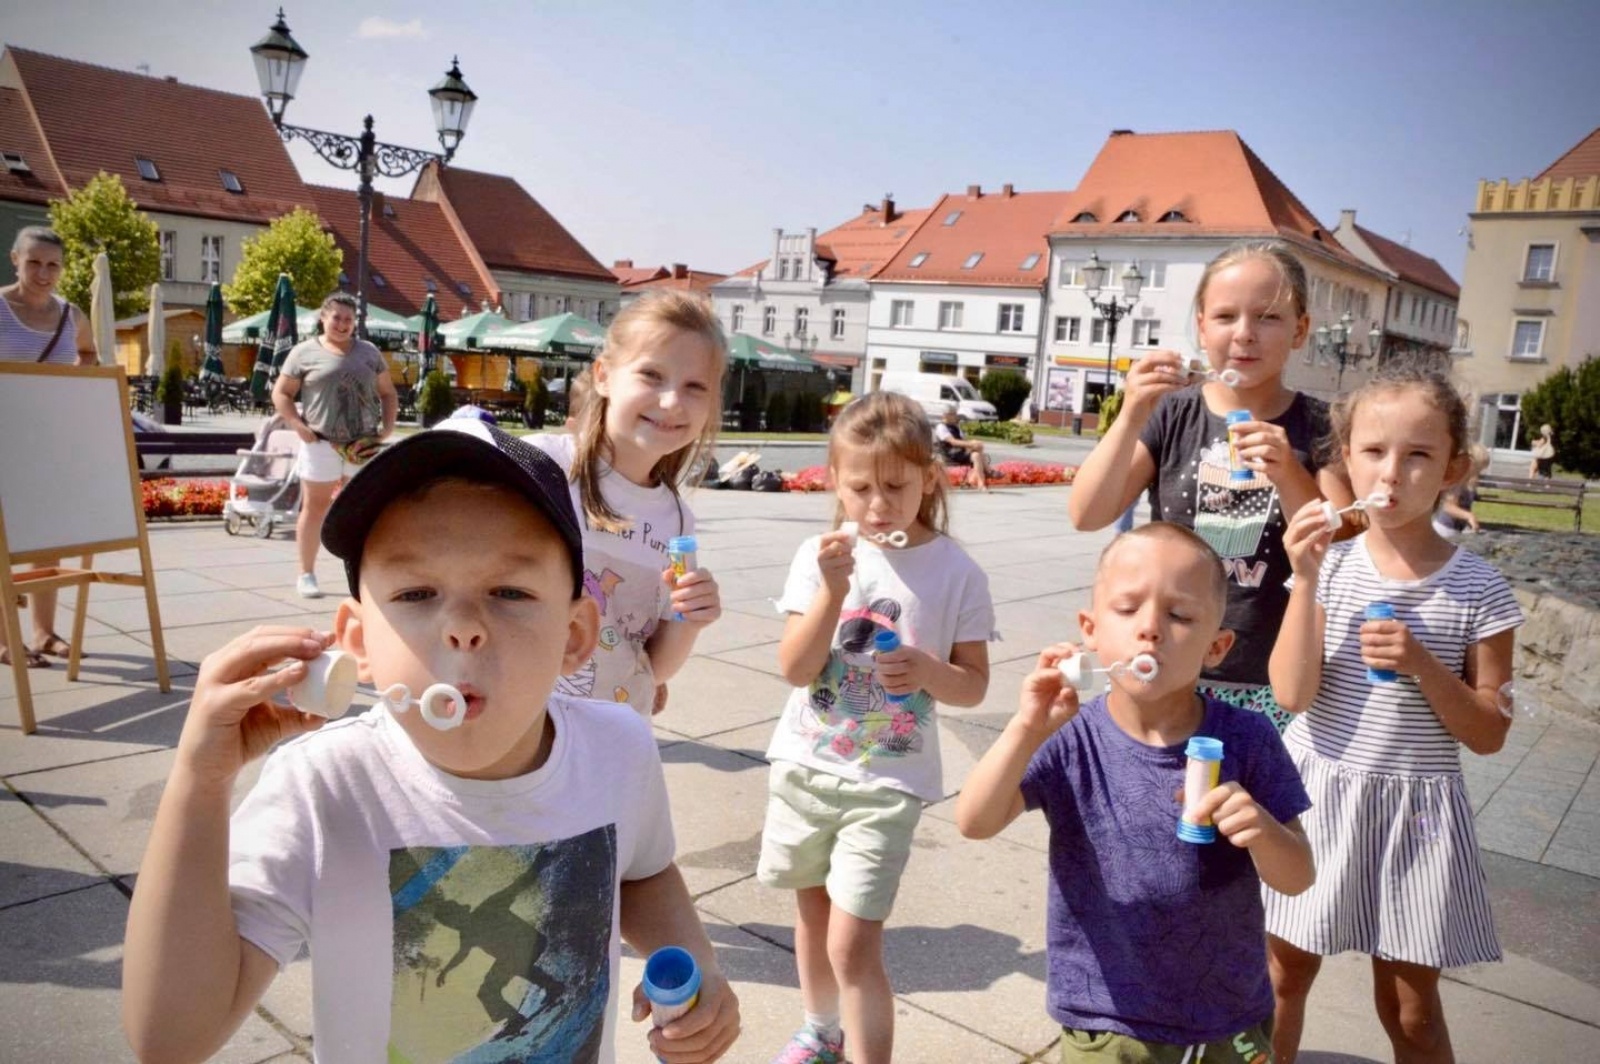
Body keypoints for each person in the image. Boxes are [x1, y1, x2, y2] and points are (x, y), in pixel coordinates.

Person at [121, 420, 741, 1063]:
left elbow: (642, 872)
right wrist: (199, 781)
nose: (464, 628)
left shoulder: (619, 747)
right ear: (358, 642)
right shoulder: (324, 785)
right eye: (416, 593)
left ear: (575, 635)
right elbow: (170, 1038)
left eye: (510, 591)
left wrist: (697, 965)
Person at [956, 522, 1313, 1061]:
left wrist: (1261, 830)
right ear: (1090, 630)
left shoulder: (1247, 737)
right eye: (1128, 609)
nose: (1150, 629)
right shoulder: (1069, 734)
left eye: (1179, 615)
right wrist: (1026, 727)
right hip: (1108, 1018)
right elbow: (975, 821)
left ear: (1216, 646)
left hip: (1229, 1014)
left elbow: (1298, 877)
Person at [1265, 363, 1523, 1064]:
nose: (1394, 471)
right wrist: (1307, 579)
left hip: (1416, 815)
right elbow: (1291, 694)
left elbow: (1489, 733)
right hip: (1316, 797)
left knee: (1411, 1012)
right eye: (1375, 451)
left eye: (1418, 455)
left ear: (1453, 467)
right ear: (1345, 459)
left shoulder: (1480, 590)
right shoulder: (1331, 564)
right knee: (1282, 977)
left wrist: (1423, 665)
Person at [761, 391, 995, 1064]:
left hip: (887, 780)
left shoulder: (957, 573)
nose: (876, 503)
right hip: (807, 766)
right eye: (859, 486)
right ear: (834, 480)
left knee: (852, 941)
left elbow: (975, 685)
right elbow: (796, 668)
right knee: (810, 918)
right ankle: (819, 1028)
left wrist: (927, 670)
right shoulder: (821, 555)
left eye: (895, 485)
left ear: (929, 475)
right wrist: (832, 593)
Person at [1067, 240, 1354, 732]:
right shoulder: (1174, 412)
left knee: (1250, 807)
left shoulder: (1315, 424)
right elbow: (1087, 513)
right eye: (1225, 317)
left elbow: (1349, 535)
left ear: (1300, 329)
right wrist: (1133, 411)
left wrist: (1289, 473)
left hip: (1268, 677)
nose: (1244, 334)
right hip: (1167, 668)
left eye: (1267, 318)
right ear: (1201, 325)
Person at [527, 292, 726, 717]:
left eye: (695, 386)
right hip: (524, 725)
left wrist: (689, 621)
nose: (672, 401)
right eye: (652, 375)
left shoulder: (677, 522)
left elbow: (652, 668)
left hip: (614, 736)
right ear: (603, 376)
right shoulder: (544, 466)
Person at [1, 226, 97, 669]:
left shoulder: (71, 314)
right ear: (14, 259)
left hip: (49, 446)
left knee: (47, 544)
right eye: (34, 262)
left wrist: (73, 393)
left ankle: (43, 633)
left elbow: (88, 353)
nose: (44, 272)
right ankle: (4, 639)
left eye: (53, 264)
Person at [272, 291, 398, 600]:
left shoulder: (369, 352)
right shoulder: (303, 353)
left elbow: (388, 393)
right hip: (321, 443)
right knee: (314, 509)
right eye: (337, 318)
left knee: (366, 511)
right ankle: (306, 573)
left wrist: (388, 427)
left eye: (349, 320)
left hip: (363, 445)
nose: (342, 325)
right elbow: (281, 393)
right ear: (323, 318)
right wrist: (297, 425)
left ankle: (365, 576)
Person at [1434, 442, 1490, 536]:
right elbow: (1448, 507)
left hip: (1457, 529)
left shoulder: (1468, 482)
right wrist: (1468, 516)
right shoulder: (1457, 481)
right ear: (1471, 465)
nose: (1479, 473)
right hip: (1445, 528)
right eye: (1478, 469)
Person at [933, 402, 992, 491]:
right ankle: (988, 472)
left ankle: (981, 483)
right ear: (946, 415)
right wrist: (971, 444)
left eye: (955, 414)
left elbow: (963, 441)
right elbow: (952, 442)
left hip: (960, 453)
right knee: (977, 449)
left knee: (976, 454)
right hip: (951, 454)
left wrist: (972, 445)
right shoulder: (941, 427)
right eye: (953, 414)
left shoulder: (956, 427)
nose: (956, 416)